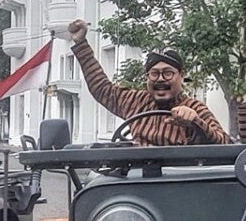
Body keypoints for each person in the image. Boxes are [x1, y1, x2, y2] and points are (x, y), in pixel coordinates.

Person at [64, 19, 230, 146]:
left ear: (181, 76)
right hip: (137, 174)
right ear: (147, 77)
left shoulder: (195, 108)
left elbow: (224, 143)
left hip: (178, 176)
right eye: (154, 74)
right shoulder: (136, 101)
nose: (160, 79)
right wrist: (81, 43)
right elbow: (102, 88)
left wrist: (196, 122)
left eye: (168, 73)